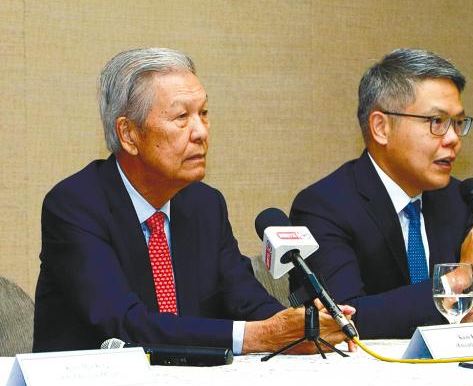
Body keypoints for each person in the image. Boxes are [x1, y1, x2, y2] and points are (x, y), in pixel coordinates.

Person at [33, 48, 354, 354]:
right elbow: (126, 325)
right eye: (181, 118)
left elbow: (247, 301)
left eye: (203, 113)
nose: (201, 132)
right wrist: (264, 335)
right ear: (129, 134)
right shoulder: (75, 206)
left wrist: (302, 327)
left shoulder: (205, 205)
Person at [290, 48, 473, 338]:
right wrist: (460, 278)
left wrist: (465, 310)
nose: (453, 139)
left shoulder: (457, 198)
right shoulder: (324, 206)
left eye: (458, 123)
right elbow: (343, 317)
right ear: (381, 127)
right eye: (437, 122)